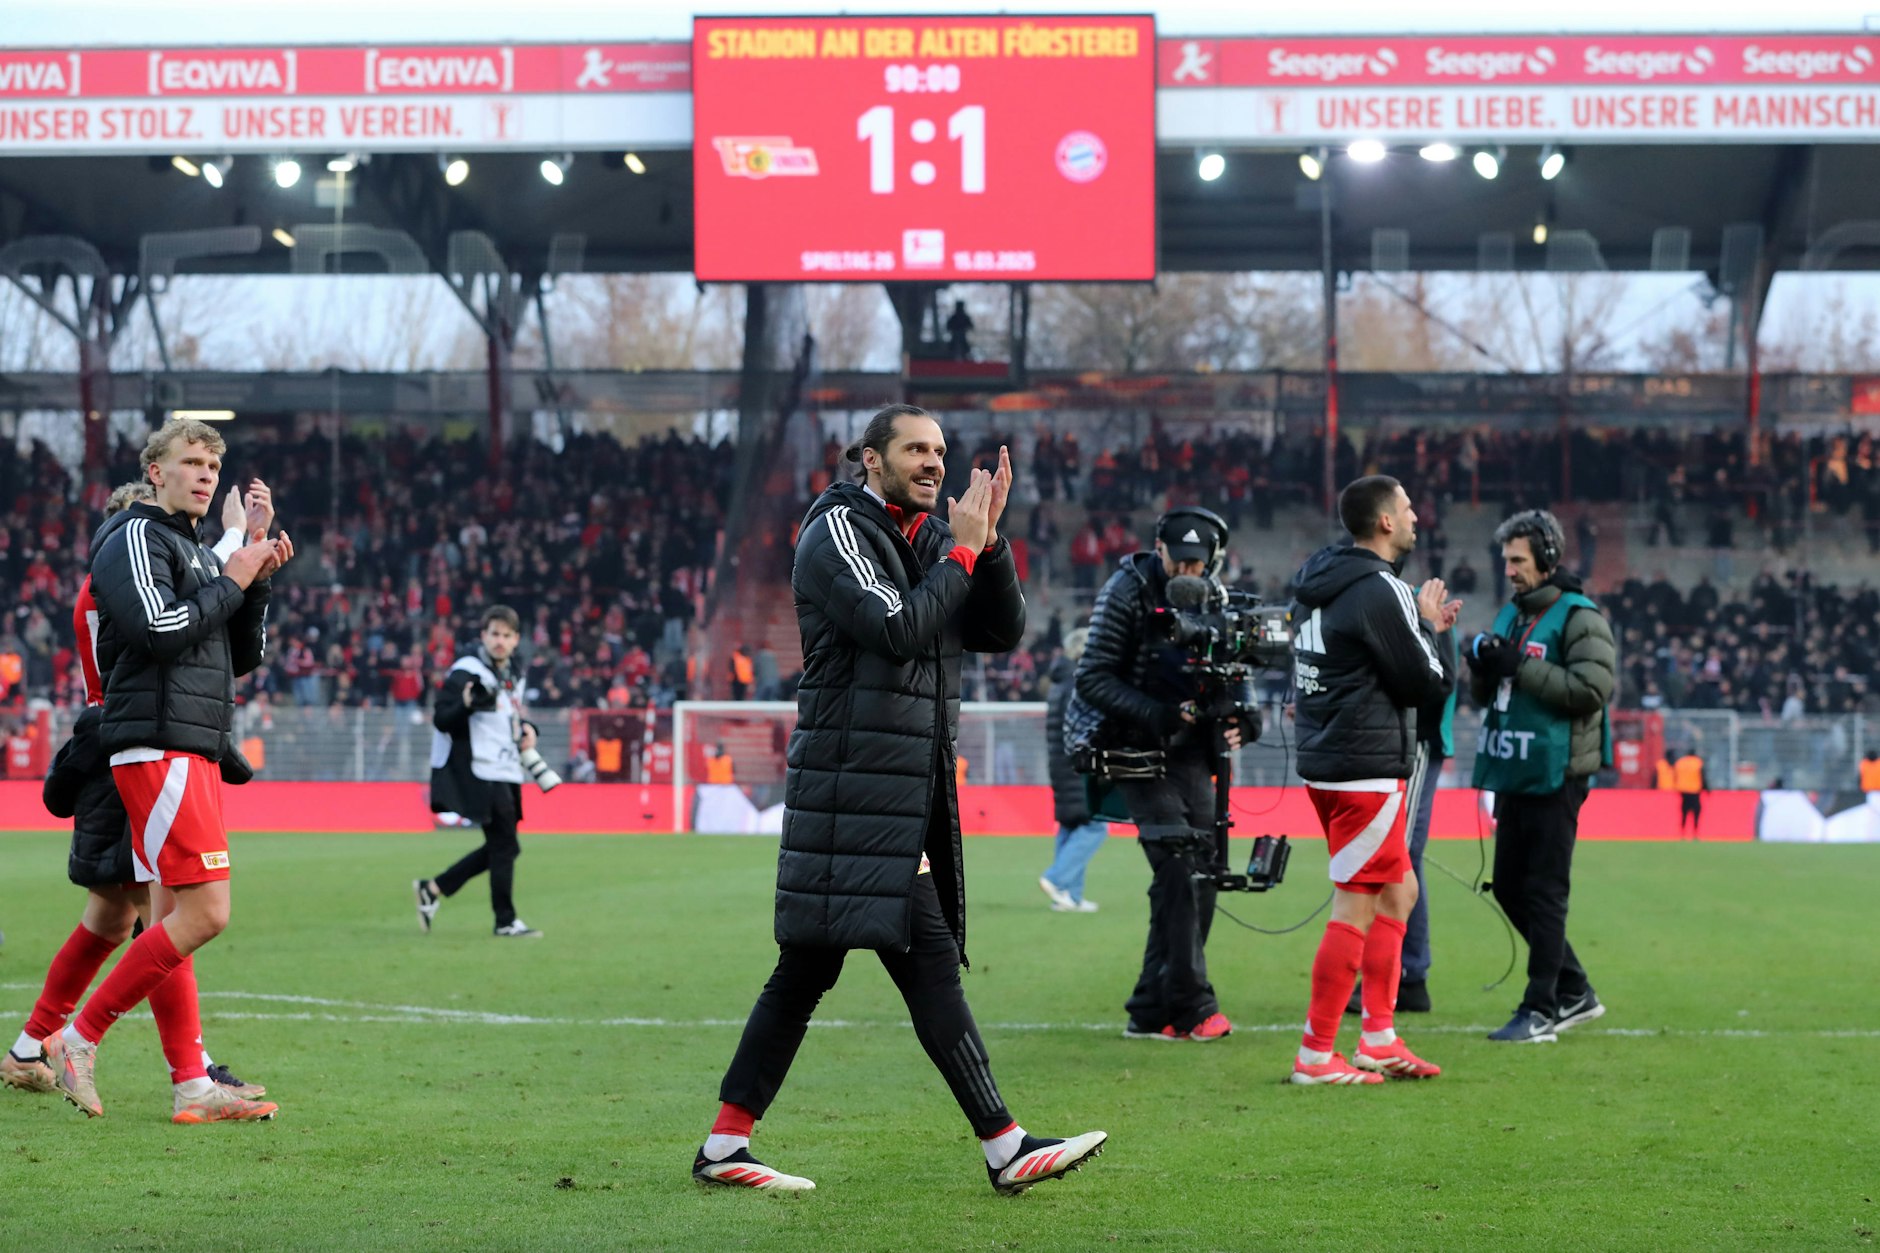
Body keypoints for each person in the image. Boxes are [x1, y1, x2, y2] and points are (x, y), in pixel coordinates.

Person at [693, 403, 1106, 1194]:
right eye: (915, 448)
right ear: (870, 459)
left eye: (941, 451)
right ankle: (1005, 1143)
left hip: (895, 791)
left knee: (806, 973)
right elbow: (899, 629)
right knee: (925, 966)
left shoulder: (923, 536)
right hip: (854, 793)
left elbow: (1001, 628)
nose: (934, 462)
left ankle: (724, 1145)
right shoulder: (835, 533)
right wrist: (961, 546)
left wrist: (991, 539)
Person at [40, 419, 290, 1123]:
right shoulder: (133, 538)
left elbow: (236, 655)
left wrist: (255, 579)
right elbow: (159, 631)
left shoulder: (189, 546)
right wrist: (232, 573)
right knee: (207, 913)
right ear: (156, 470)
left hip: (191, 740)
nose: (206, 474)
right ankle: (78, 1037)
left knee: (171, 916)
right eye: (191, 461)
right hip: (158, 742)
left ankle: (192, 1085)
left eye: (214, 463)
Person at [1287, 476, 1456, 1085]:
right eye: (1408, 508)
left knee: (1399, 891)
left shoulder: (1314, 585)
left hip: (1331, 761)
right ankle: (1315, 1053)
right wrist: (1432, 627)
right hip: (1366, 769)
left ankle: (1380, 1037)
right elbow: (1426, 684)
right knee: (1356, 904)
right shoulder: (1381, 589)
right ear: (1385, 521)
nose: (1415, 517)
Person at [1068, 507, 1247, 1043]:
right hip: (1127, 745)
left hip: (1191, 749)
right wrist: (1159, 714)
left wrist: (1245, 715)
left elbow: (1236, 663)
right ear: (1160, 551)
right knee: (1176, 861)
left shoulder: (1215, 595)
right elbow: (1092, 678)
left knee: (1203, 867)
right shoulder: (1125, 590)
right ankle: (1193, 1007)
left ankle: (1150, 1008)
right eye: (1180, 561)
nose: (1189, 573)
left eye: (1199, 564)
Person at [1469, 508, 1615, 1044]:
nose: (1508, 570)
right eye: (1505, 560)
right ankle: (1575, 989)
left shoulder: (1582, 618)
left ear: (1548, 561)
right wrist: (1480, 666)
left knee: (1545, 890)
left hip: (1558, 774)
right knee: (1508, 887)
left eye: (1518, 561)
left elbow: (1591, 691)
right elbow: (1487, 695)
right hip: (1516, 769)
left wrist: (1518, 666)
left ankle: (1541, 1007)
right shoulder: (1511, 615)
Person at [415, 605, 543, 939]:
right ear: (483, 636)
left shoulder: (513, 674)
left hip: (507, 768)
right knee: (505, 844)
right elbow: (442, 718)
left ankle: (433, 888)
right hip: (480, 769)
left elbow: (508, 718)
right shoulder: (466, 672)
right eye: (494, 634)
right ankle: (505, 921)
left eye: (506, 635)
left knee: (505, 847)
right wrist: (467, 704)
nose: (500, 641)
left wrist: (530, 729)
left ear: (516, 640)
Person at [1038, 627, 1106, 913]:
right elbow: (1084, 725)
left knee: (1071, 824)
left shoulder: (1059, 682)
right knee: (1095, 825)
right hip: (1076, 763)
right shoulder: (1078, 682)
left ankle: (1069, 897)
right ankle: (1057, 878)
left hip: (1060, 763)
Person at [1674, 749, 1706, 838]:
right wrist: (1706, 788)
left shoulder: (1680, 762)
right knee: (1696, 812)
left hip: (1683, 791)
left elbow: (1675, 775)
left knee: (1684, 812)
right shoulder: (1697, 762)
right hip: (1695, 791)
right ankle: (1695, 832)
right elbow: (1702, 776)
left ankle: (1682, 832)